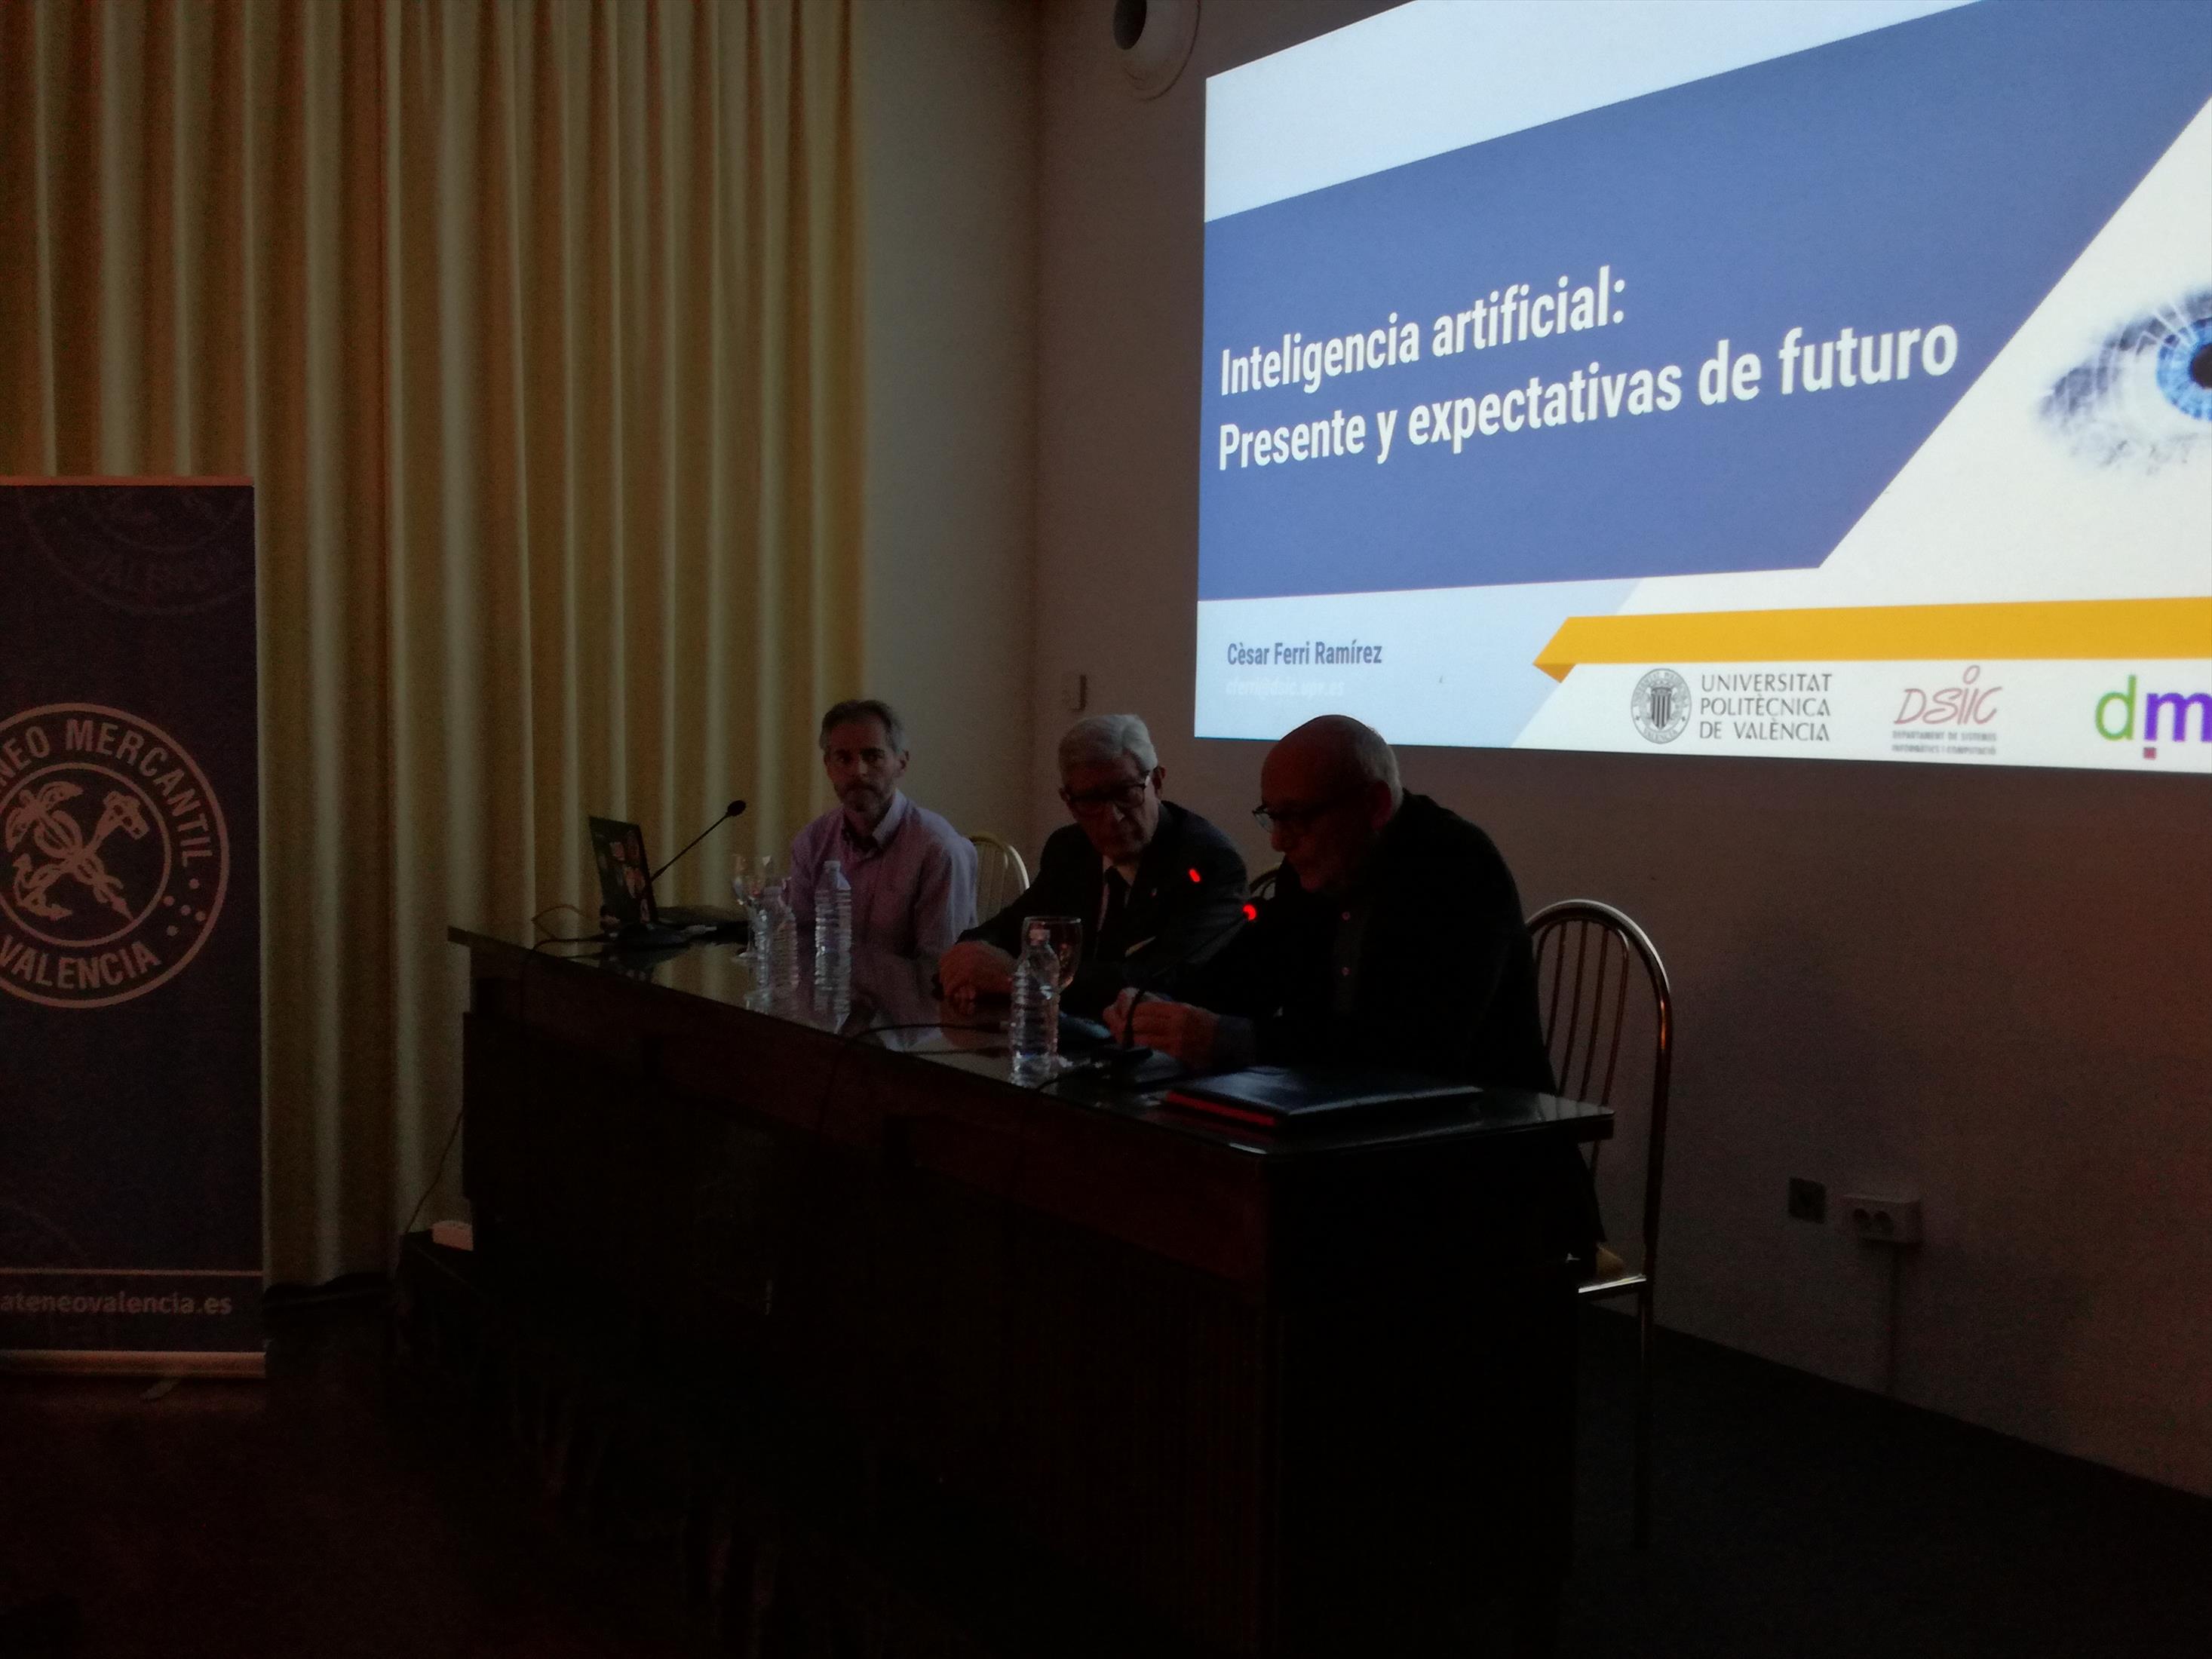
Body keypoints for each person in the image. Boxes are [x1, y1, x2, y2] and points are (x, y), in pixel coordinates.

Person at [1108, 714, 1555, 1091]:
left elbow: (1414, 1047)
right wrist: (1157, 1008)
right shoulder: (1311, 869)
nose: (1279, 841)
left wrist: (1232, 1039)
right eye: (1273, 817)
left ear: (1375, 805)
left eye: (1296, 817)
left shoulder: (1457, 866)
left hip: (1478, 1136)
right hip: (1334, 1119)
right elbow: (1249, 979)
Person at [937, 713, 1247, 1017]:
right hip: (1069, 1036)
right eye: (1091, 800)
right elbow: (1011, 927)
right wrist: (969, 956)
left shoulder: (1210, 863)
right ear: (1069, 802)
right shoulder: (1069, 848)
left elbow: (1157, 979)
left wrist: (1021, 978)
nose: (1112, 817)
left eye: (1126, 793)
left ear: (1157, 782)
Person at [787, 699, 977, 959]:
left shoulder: (940, 850)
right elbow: (800, 947)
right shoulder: (811, 843)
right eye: (844, 758)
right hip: (833, 985)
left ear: (901, 763)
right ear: (828, 766)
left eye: (873, 756)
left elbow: (938, 967)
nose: (858, 771)